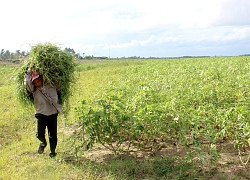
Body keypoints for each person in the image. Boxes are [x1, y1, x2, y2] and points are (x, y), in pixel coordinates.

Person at [24, 71, 62, 158]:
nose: (37, 83)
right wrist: (28, 73)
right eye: (35, 82)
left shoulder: (51, 85)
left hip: (52, 113)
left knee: (53, 135)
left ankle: (53, 152)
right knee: (39, 134)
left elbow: (59, 83)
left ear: (42, 79)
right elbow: (27, 82)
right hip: (40, 114)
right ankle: (43, 142)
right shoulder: (34, 89)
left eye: (38, 81)